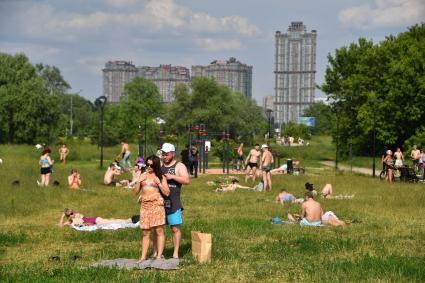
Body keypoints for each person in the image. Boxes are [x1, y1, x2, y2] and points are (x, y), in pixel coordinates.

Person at [134, 155, 170, 262]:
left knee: (159, 230)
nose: (149, 167)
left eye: (151, 165)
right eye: (147, 164)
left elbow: (167, 193)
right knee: (145, 232)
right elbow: (135, 192)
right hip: (145, 205)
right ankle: (143, 256)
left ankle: (159, 256)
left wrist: (158, 183)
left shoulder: (160, 177)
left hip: (157, 205)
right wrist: (138, 181)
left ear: (156, 165)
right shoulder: (143, 175)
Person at [160, 143, 190, 259]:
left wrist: (173, 177)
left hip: (174, 201)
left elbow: (186, 180)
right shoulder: (159, 164)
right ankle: (157, 253)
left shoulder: (179, 166)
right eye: (163, 154)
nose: (164, 156)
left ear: (172, 153)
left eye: (166, 154)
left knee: (174, 228)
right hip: (159, 201)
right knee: (158, 228)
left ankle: (175, 253)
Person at [58, 208, 133, 227]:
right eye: (70, 214)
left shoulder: (77, 215)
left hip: (95, 220)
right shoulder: (71, 220)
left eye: (72, 212)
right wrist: (62, 217)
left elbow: (82, 222)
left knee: (112, 222)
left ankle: (128, 220)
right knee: (111, 220)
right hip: (95, 221)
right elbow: (61, 225)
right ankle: (128, 220)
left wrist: (68, 219)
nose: (72, 214)